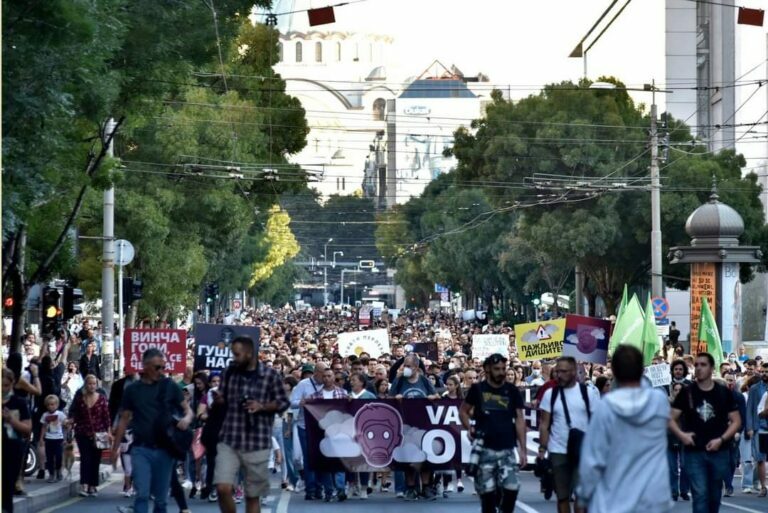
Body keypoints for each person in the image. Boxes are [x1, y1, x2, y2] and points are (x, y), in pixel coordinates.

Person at [576, 345, 672, 512]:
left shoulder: (606, 407)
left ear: (614, 371)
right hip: (654, 499)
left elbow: (593, 458)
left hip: (613, 500)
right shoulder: (659, 402)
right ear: (642, 368)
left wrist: (584, 495)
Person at [112, 348, 193, 513]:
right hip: (141, 449)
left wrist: (186, 419)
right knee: (142, 494)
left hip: (164, 450)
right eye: (158, 367)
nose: (162, 371)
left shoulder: (169, 385)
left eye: (164, 367)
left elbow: (188, 410)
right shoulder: (132, 390)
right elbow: (124, 419)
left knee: (161, 500)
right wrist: (115, 449)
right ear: (145, 366)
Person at [215, 336, 289, 513]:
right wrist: (219, 400)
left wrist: (262, 406)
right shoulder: (228, 372)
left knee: (252, 495)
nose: (234, 358)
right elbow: (223, 396)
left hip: (257, 440)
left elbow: (283, 403)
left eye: (237, 354)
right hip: (230, 437)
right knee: (222, 488)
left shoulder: (270, 376)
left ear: (249, 354)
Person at [669, 352, 742, 512]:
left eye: (703, 365)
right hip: (694, 451)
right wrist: (682, 435)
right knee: (700, 494)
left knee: (714, 496)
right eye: (696, 365)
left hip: (719, 451)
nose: (699, 368)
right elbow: (671, 418)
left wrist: (722, 439)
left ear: (711, 368)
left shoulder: (723, 393)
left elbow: (736, 421)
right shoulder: (687, 392)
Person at [460, 353, 526, 513]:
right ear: (488, 369)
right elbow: (463, 411)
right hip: (485, 450)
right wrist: (470, 427)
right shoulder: (478, 389)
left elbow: (519, 419)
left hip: (507, 448)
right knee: (488, 497)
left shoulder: (512, 390)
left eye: (503, 368)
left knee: (512, 488)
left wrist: (522, 449)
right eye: (497, 369)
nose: (501, 372)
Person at [538, 356, 600, 513]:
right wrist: (542, 449)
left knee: (581, 495)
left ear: (574, 372)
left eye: (563, 371)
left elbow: (597, 423)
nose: (559, 375)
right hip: (558, 450)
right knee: (562, 496)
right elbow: (544, 424)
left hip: (582, 450)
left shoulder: (588, 394)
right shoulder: (550, 395)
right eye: (557, 371)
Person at [69, 374, 111, 497]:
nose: (92, 386)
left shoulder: (102, 398)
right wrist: (70, 421)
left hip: (99, 433)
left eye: (94, 383)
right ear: (85, 385)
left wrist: (108, 432)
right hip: (82, 432)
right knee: (85, 458)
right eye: (89, 383)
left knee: (95, 459)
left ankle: (93, 486)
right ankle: (84, 484)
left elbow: (106, 417)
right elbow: (75, 414)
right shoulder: (80, 399)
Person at [311, 367, 348, 502]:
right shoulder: (316, 396)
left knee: (339, 461)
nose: (327, 378)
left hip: (339, 433)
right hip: (323, 434)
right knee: (326, 464)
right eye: (325, 376)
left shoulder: (343, 394)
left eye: (329, 376)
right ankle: (328, 490)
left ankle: (340, 489)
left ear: (334, 378)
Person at [290, 363, 325, 501]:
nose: (324, 377)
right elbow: (292, 402)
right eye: (322, 373)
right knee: (308, 457)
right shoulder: (303, 384)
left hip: (321, 427)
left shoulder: (327, 385)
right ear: (316, 372)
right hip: (304, 426)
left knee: (320, 457)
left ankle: (319, 487)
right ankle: (310, 489)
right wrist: (302, 402)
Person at [3, 367, 32, 513]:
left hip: (12, 450)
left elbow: (27, 429)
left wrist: (11, 420)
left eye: (6, 385)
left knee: (7, 489)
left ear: (12, 384)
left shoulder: (19, 402)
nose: (2, 389)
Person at [745, 360, 768, 495]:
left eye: (767, 372)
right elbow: (749, 409)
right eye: (763, 372)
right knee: (760, 458)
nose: (765, 374)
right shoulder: (754, 389)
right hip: (759, 428)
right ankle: (763, 486)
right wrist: (749, 428)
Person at [667, 382, 691, 501]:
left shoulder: (688, 405)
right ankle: (673, 491)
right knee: (672, 468)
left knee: (685, 465)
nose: (678, 392)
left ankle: (684, 490)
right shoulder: (667, 405)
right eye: (675, 390)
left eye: (680, 390)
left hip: (684, 438)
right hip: (669, 438)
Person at [39, 394, 67, 482]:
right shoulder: (45, 415)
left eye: (53, 404)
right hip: (49, 438)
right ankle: (51, 474)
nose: (51, 406)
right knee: (49, 457)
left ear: (57, 405)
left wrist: (67, 424)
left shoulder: (60, 414)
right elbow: (43, 427)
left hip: (58, 438)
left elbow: (65, 423)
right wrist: (41, 438)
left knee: (59, 456)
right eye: (49, 405)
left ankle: (59, 471)